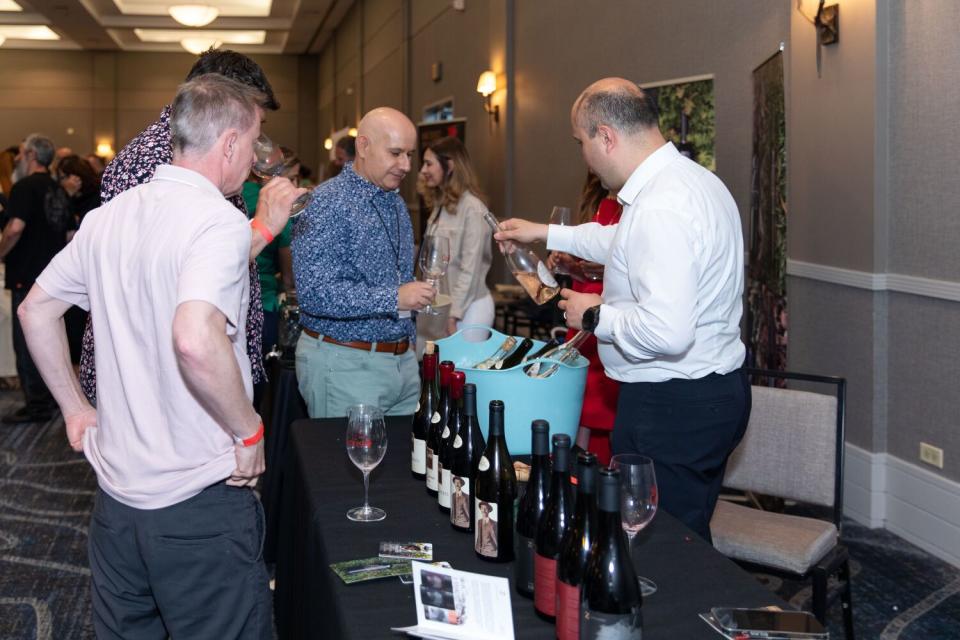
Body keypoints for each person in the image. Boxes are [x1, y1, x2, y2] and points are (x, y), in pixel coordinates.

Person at [18, 73, 300, 638]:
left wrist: (75, 409)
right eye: (253, 142)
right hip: (199, 502)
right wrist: (248, 432)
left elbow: (35, 311)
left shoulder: (106, 218)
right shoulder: (217, 219)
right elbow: (194, 338)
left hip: (116, 504)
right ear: (227, 144)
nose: (253, 159)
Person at [495, 78, 750, 542]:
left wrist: (593, 314)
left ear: (606, 137)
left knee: (663, 545)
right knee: (685, 535)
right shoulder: (690, 181)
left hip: (672, 405)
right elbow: (624, 242)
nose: (584, 156)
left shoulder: (660, 206)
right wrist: (545, 232)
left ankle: (671, 614)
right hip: (712, 392)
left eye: (582, 143)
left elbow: (668, 332)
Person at [78, 49, 289, 405]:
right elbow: (163, 279)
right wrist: (264, 229)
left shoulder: (197, 152)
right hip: (160, 383)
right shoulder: (150, 159)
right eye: (253, 120)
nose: (256, 141)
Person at [292, 107, 434, 418]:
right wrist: (394, 297)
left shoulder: (395, 203)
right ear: (363, 146)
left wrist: (407, 344)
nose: (407, 165)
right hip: (344, 364)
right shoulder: (325, 202)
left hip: (400, 365)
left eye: (410, 154)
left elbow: (399, 278)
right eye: (396, 153)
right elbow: (315, 293)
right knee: (349, 467)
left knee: (405, 465)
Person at [548, 173, 622, 465]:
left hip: (605, 310)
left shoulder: (636, 208)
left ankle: (596, 471)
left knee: (598, 402)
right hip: (583, 307)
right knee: (578, 396)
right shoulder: (604, 203)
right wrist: (573, 267)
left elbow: (625, 270)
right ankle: (576, 471)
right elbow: (596, 268)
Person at [0, 134, 73, 423]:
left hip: (26, 273)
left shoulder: (23, 187)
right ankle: (53, 398)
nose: (17, 159)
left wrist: (1, 252)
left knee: (26, 340)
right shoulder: (58, 189)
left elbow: (15, 228)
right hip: (54, 277)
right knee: (54, 337)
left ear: (31, 155)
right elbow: (70, 234)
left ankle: (37, 405)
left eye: (20, 154)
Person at [417, 136, 494, 339]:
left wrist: (453, 314)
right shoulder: (440, 207)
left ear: (449, 165)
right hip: (443, 305)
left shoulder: (473, 209)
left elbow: (470, 270)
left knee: (464, 370)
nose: (422, 171)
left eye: (428, 163)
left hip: (469, 310)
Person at [56, 155, 102, 366]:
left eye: (64, 176)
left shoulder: (95, 196)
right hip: (76, 266)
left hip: (87, 266)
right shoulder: (73, 197)